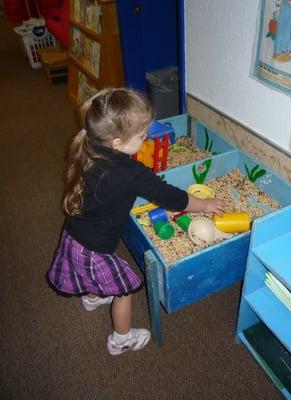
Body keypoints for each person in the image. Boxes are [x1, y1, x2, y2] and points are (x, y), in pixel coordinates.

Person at [48, 88, 225, 356]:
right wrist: (206, 205)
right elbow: (173, 198)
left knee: (90, 272)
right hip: (94, 248)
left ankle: (93, 296)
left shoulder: (92, 144)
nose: (146, 140)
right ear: (117, 142)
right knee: (126, 289)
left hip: (74, 235)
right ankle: (121, 339)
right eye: (142, 136)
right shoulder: (130, 172)